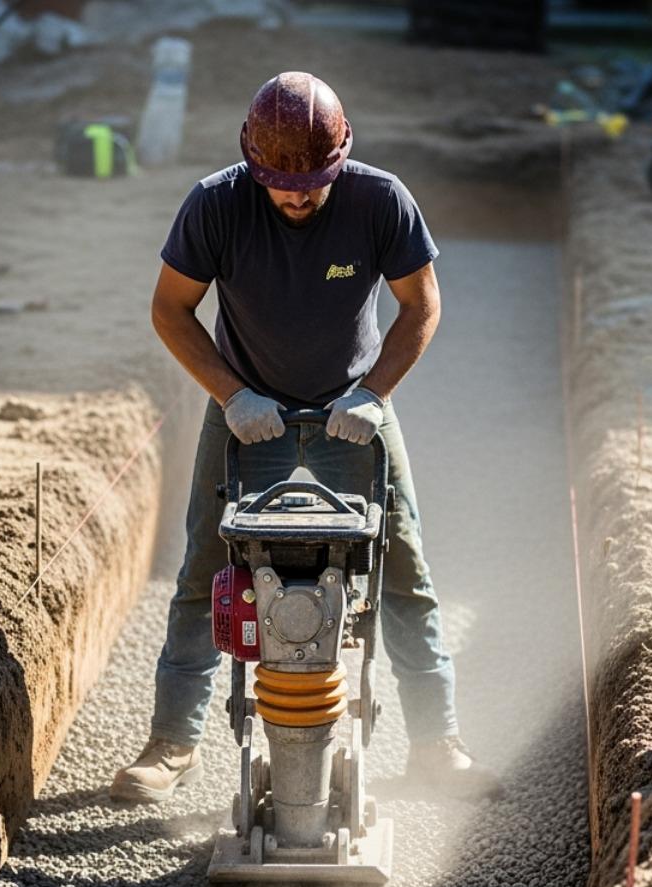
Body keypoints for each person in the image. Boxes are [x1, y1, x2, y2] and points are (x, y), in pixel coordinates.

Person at [112, 71, 503, 805]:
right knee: (204, 570)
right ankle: (172, 744)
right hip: (247, 412)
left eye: (315, 183)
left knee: (403, 567)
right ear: (251, 164)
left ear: (343, 156)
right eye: (280, 184)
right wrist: (231, 394)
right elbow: (171, 310)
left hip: (350, 411)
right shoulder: (215, 205)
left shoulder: (379, 200)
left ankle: (435, 743)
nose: (298, 196)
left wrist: (373, 394)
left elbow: (421, 305)